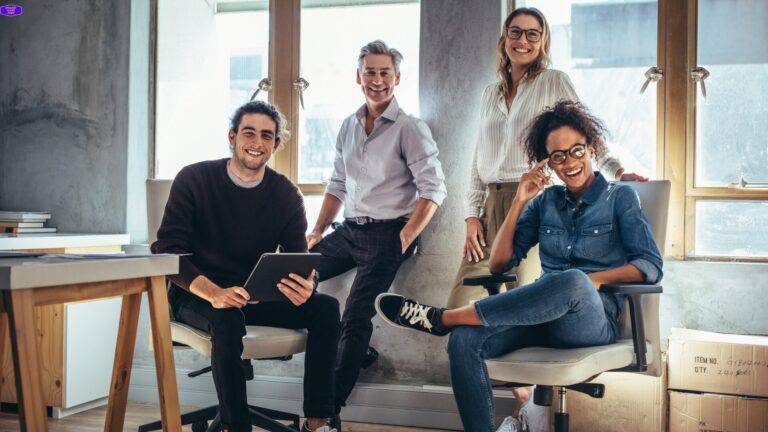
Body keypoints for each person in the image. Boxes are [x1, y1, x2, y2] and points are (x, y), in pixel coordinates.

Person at [375, 100, 663, 432]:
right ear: (548, 163)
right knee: (463, 342)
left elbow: (649, 266)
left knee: (573, 280)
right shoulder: (545, 203)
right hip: (543, 318)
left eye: (576, 151)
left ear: (591, 147)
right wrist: (519, 201)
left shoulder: (621, 197)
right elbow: (499, 263)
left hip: (592, 321)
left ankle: (444, 318)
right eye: (558, 156)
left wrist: (593, 280)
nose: (569, 162)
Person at [446, 6, 649, 419]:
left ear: (543, 42)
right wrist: (472, 212)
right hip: (499, 202)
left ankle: (527, 410)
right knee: (469, 314)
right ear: (504, 37)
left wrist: (616, 172)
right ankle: (521, 408)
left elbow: (582, 136)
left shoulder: (554, 83)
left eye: (533, 35)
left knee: (546, 291)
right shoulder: (490, 92)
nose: (523, 41)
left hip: (536, 189)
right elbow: (477, 157)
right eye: (515, 33)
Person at [152, 101, 341, 432]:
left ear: (276, 145)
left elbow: (300, 258)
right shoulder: (194, 179)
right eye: (249, 132)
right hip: (197, 296)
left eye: (267, 135)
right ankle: (235, 426)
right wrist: (215, 293)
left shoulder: (286, 194)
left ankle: (318, 421)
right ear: (232, 137)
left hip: (252, 297)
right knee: (227, 315)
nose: (257, 142)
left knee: (325, 308)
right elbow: (168, 252)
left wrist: (307, 284)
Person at [307, 40, 447, 427]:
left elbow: (434, 189)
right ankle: (359, 354)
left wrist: (404, 237)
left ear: (397, 78)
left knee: (355, 315)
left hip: (389, 234)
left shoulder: (410, 128)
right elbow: (337, 183)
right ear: (358, 77)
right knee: (296, 279)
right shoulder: (348, 126)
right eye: (370, 72)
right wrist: (316, 230)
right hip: (349, 230)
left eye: (385, 72)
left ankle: (325, 414)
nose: (377, 80)